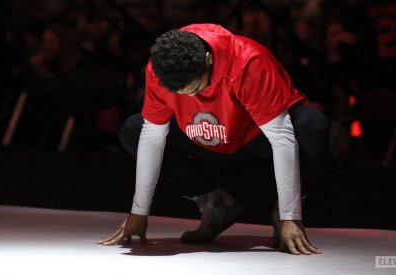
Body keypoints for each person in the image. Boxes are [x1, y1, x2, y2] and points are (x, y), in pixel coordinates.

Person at [98, 23, 327, 255]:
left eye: (196, 89)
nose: (192, 98)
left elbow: (281, 138)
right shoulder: (160, 68)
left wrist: (291, 215)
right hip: (205, 135)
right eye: (181, 94)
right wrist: (139, 211)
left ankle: (282, 215)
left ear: (208, 59)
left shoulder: (249, 63)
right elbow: (152, 136)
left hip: (257, 137)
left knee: (311, 123)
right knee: (135, 130)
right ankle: (217, 205)